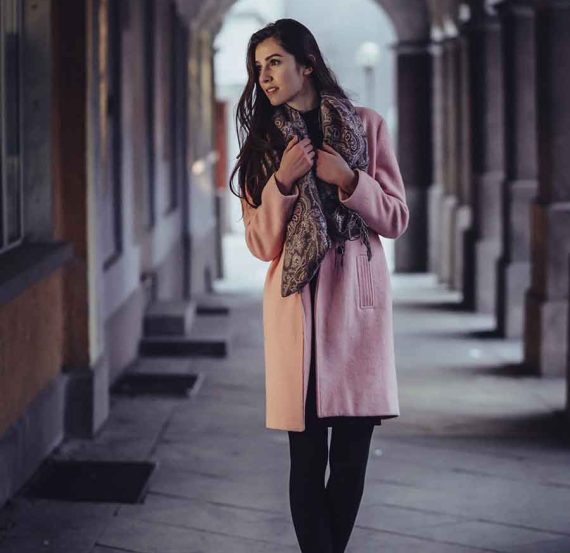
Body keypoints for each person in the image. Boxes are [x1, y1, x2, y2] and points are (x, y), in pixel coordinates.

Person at [229, 18, 409, 553]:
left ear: (307, 63)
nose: (265, 75)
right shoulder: (264, 143)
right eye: (259, 66)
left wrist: (350, 181)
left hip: (356, 311)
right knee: (306, 461)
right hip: (299, 314)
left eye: (275, 61)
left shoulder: (368, 126)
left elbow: (396, 218)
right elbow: (262, 246)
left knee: (351, 461)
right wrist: (283, 181)